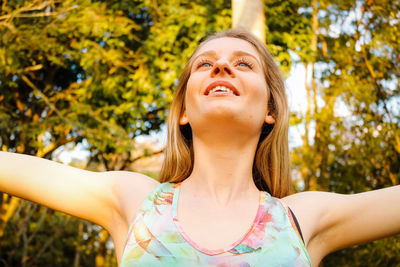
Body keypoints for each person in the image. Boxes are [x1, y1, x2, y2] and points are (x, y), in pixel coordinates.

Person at [0, 28, 399, 266]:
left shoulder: (303, 219)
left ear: (270, 111)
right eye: (204, 64)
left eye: (243, 64)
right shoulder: (132, 200)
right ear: (184, 111)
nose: (221, 67)